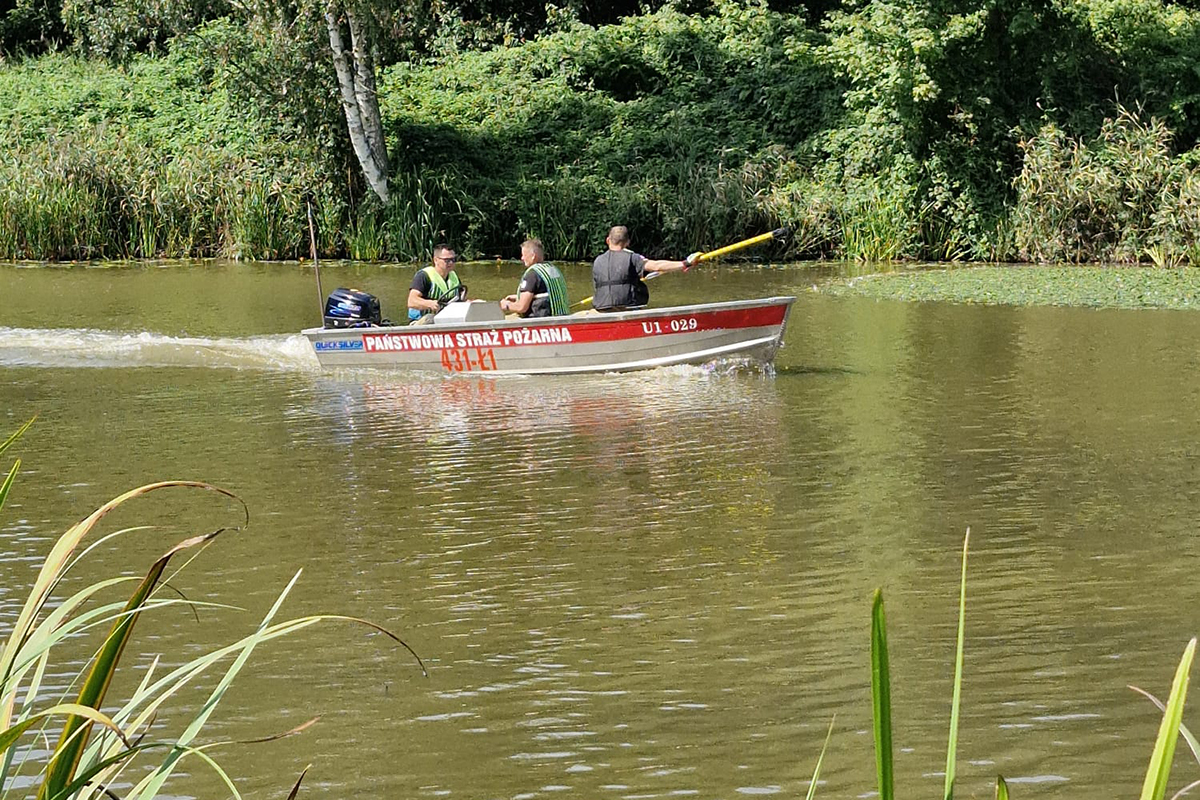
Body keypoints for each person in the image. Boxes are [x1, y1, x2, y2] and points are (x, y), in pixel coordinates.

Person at [591, 226, 694, 312]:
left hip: (601, 307)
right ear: (627, 242)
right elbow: (657, 266)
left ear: (608, 240)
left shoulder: (597, 261)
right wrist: (685, 263)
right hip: (627, 307)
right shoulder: (632, 258)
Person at [500, 238, 569, 317]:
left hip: (542, 320)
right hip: (560, 317)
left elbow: (522, 307)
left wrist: (506, 305)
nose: (522, 258)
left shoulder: (532, 275)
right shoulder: (553, 269)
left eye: (523, 255)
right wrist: (518, 297)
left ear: (533, 256)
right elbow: (548, 294)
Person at [408, 243, 462, 323]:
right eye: (447, 260)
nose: (451, 263)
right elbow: (411, 301)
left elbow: (461, 300)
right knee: (430, 318)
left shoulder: (454, 277)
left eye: (453, 260)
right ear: (436, 260)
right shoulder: (424, 276)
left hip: (446, 320)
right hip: (421, 321)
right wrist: (429, 304)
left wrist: (473, 303)